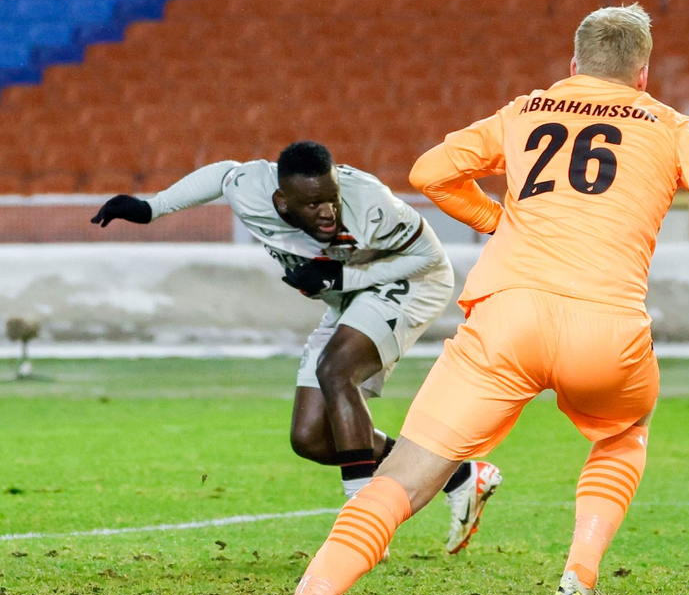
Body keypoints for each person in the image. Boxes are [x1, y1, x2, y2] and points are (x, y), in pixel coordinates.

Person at [236, 5, 689, 595]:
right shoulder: (671, 126)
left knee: (401, 480)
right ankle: (578, 582)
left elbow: (429, 174)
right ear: (643, 74)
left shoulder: (527, 111)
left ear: (574, 63)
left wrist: (497, 221)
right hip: (606, 329)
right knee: (623, 433)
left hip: (505, 318)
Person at [89, 141, 503, 556]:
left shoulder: (370, 201)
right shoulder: (251, 187)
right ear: (282, 202)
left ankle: (362, 519)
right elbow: (221, 175)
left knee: (336, 371)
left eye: (331, 198)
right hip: (348, 293)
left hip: (410, 284)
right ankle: (459, 477)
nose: (327, 212)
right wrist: (150, 208)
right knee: (310, 438)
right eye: (312, 204)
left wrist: (339, 278)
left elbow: (428, 257)